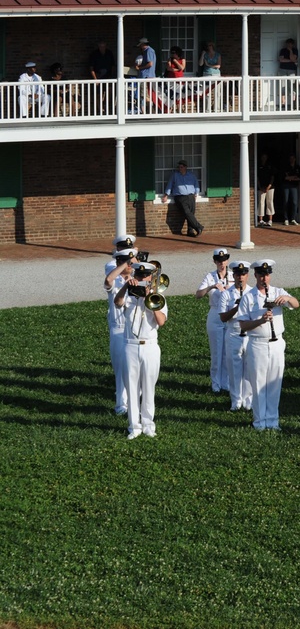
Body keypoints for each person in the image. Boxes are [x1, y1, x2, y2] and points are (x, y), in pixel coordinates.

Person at [237, 259, 300, 430]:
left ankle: (273, 420)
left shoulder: (277, 291)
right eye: (261, 275)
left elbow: (296, 304)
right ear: (255, 275)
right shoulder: (248, 297)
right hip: (257, 343)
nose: (264, 279)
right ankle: (259, 421)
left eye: (267, 275)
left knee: (274, 383)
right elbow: (243, 325)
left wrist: (287, 298)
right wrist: (260, 321)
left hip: (277, 343)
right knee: (258, 384)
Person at [113, 261, 168, 439]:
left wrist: (148, 299)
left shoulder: (158, 297)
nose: (142, 279)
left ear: (151, 278)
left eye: (145, 277)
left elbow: (161, 322)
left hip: (150, 346)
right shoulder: (128, 295)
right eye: (138, 276)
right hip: (130, 344)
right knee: (132, 388)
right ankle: (134, 427)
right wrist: (125, 288)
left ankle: (148, 424)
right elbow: (117, 303)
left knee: (149, 387)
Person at [104, 247, 139, 417]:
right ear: (120, 262)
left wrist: (135, 260)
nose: (131, 265)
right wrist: (126, 261)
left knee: (135, 368)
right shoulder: (115, 280)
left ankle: (134, 400)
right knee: (120, 369)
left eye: (131, 262)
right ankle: (121, 405)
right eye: (128, 262)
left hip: (133, 328)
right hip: (118, 329)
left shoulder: (136, 279)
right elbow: (108, 280)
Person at [195, 248, 233, 393]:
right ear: (214, 261)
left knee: (227, 351)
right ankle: (216, 384)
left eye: (224, 260)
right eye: (218, 261)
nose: (221, 263)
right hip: (215, 313)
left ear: (227, 260)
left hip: (229, 314)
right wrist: (211, 287)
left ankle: (226, 383)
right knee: (216, 351)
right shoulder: (210, 276)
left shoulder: (233, 275)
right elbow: (198, 295)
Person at [220, 260, 253, 412]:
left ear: (248, 275)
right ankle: (236, 401)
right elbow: (223, 317)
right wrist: (236, 308)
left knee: (249, 369)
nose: (241, 277)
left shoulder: (253, 292)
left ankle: (248, 400)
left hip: (249, 334)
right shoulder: (226, 294)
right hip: (233, 332)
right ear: (234, 275)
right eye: (238, 274)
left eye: (244, 274)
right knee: (234, 369)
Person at [163, 159, 203, 236]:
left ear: (185, 167)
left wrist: (196, 193)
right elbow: (170, 185)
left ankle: (190, 231)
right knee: (187, 212)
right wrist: (166, 195)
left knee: (191, 213)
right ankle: (198, 226)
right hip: (180, 197)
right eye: (179, 167)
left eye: (181, 167)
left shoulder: (191, 175)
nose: (180, 168)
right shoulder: (175, 175)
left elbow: (196, 184)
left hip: (191, 196)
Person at [280, 154, 300, 226]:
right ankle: (286, 219)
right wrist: (293, 177)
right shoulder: (285, 167)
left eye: (293, 158)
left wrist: (290, 178)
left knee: (294, 202)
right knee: (285, 201)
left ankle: (293, 218)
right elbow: (284, 177)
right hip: (286, 186)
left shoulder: (297, 167)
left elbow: (299, 178)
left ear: (295, 159)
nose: (292, 160)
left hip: (294, 186)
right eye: (290, 158)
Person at [256, 153, 277, 227]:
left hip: (270, 187)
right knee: (261, 202)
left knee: (270, 202)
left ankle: (270, 220)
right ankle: (261, 220)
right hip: (261, 187)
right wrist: (260, 187)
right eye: (263, 157)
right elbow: (257, 177)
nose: (264, 158)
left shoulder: (270, 166)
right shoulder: (258, 166)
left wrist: (269, 186)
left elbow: (272, 176)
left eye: (265, 157)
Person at [277, 38, 298, 108]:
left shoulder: (295, 50)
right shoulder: (283, 50)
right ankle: (283, 102)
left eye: (290, 44)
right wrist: (290, 61)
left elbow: (294, 59)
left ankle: (293, 103)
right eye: (288, 43)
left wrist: (291, 51)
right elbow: (281, 60)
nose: (289, 45)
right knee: (282, 85)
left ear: (292, 44)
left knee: (292, 85)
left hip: (292, 70)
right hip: (282, 69)